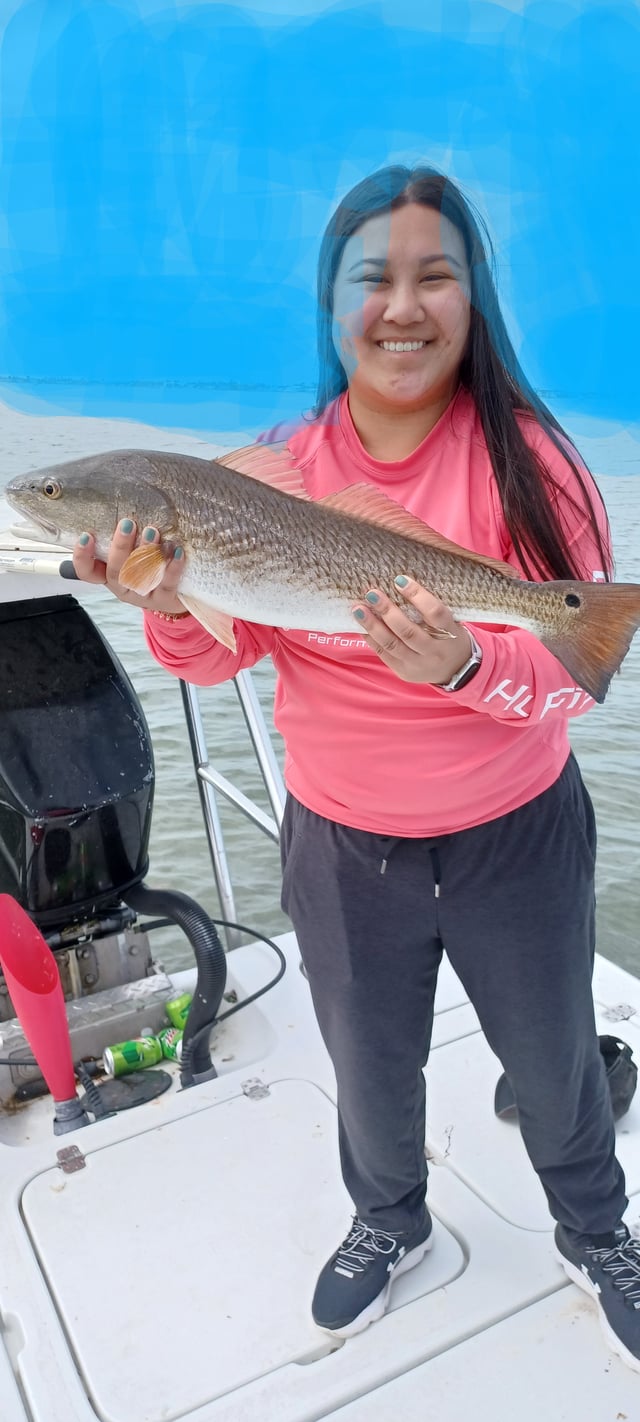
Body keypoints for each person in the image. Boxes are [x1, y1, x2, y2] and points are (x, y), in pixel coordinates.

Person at [74, 165, 640, 1370]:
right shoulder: (263, 471)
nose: (401, 303)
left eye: (434, 274)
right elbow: (216, 656)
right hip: (341, 845)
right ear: (332, 306)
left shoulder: (539, 468)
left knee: (552, 1060)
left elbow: (570, 674)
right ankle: (389, 1222)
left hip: (516, 835)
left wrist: (456, 669)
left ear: (474, 298)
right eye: (370, 277)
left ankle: (596, 1231)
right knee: (367, 1066)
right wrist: (166, 596)